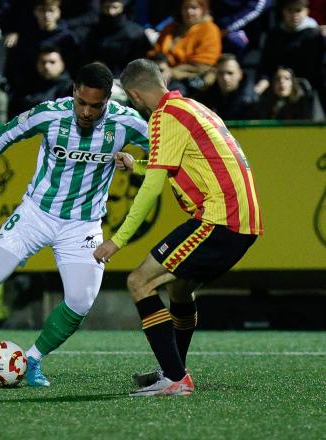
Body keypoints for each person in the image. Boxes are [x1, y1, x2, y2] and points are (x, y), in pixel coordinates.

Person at [0, 62, 150, 387]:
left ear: (109, 99)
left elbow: (167, 157)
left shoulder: (127, 124)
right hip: (36, 214)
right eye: (82, 102)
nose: (87, 112)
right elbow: (8, 132)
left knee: (80, 302)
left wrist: (138, 165)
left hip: (83, 226)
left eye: (96, 106)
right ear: (74, 91)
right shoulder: (50, 114)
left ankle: (33, 360)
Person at [94, 58, 262, 397]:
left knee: (139, 281)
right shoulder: (191, 107)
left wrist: (118, 240)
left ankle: (174, 379)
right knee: (179, 288)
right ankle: (174, 368)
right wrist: (137, 165)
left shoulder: (163, 117)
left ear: (135, 95)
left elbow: (153, 188)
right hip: (242, 221)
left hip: (219, 219)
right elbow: (178, 163)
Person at [147, 0, 221, 85]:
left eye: (194, 8)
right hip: (160, 71)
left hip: (187, 80)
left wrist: (171, 72)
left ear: (203, 10)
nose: (189, 11)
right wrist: (160, 66)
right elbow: (155, 51)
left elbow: (203, 64)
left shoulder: (210, 30)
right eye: (185, 8)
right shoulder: (171, 28)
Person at [253, 66, 324, 121]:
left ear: (293, 83)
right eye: (277, 79)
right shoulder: (265, 104)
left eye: (286, 78)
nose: (281, 82)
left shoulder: (303, 102)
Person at [199, 54, 258, 120]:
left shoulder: (251, 101)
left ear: (240, 74)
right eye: (221, 73)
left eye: (230, 73)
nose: (225, 78)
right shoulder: (206, 96)